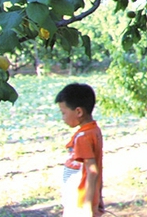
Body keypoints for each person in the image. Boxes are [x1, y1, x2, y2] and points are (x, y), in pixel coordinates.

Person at [55, 83, 104, 217]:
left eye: (63, 113)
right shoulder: (94, 130)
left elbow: (92, 171)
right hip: (83, 198)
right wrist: (98, 197)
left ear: (78, 112)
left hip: (79, 201)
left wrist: (87, 206)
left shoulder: (83, 137)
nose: (62, 117)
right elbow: (98, 167)